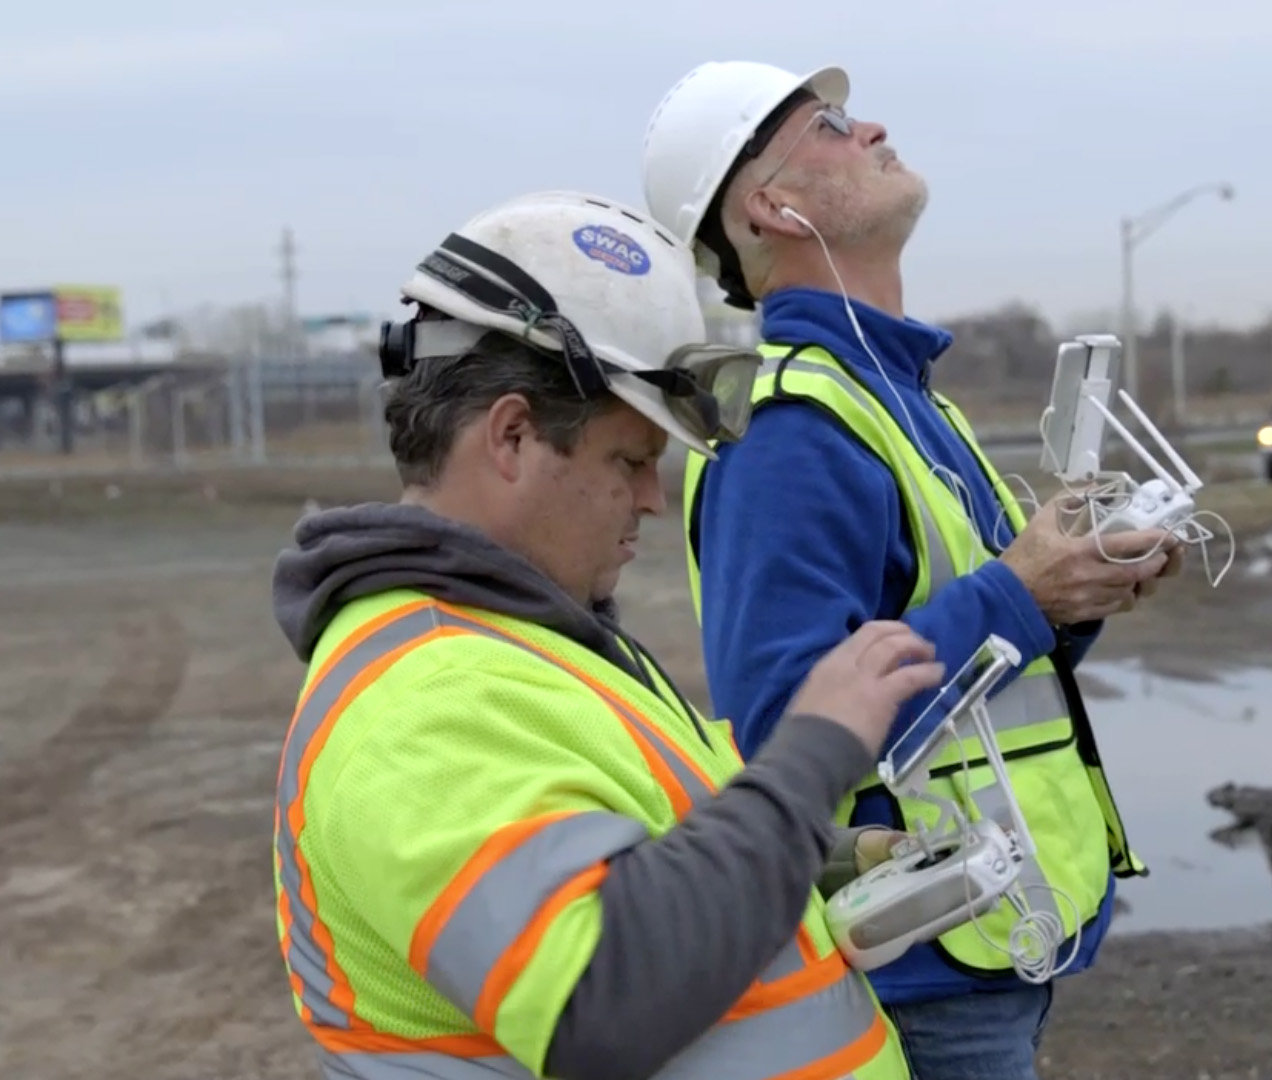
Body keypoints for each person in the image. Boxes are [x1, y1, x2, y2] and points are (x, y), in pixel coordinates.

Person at [266, 189, 945, 1080]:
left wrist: (811, 862)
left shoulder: (528, 640)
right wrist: (815, 752)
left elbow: (633, 854)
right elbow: (602, 993)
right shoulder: (423, 701)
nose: (654, 500)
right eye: (630, 459)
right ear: (512, 437)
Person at [641, 62, 1183, 1080]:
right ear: (773, 204)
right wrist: (1021, 594)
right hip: (923, 961)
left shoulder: (905, 403)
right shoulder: (793, 433)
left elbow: (992, 656)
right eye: (832, 125)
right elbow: (788, 728)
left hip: (991, 929)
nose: (873, 126)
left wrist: (1074, 591)